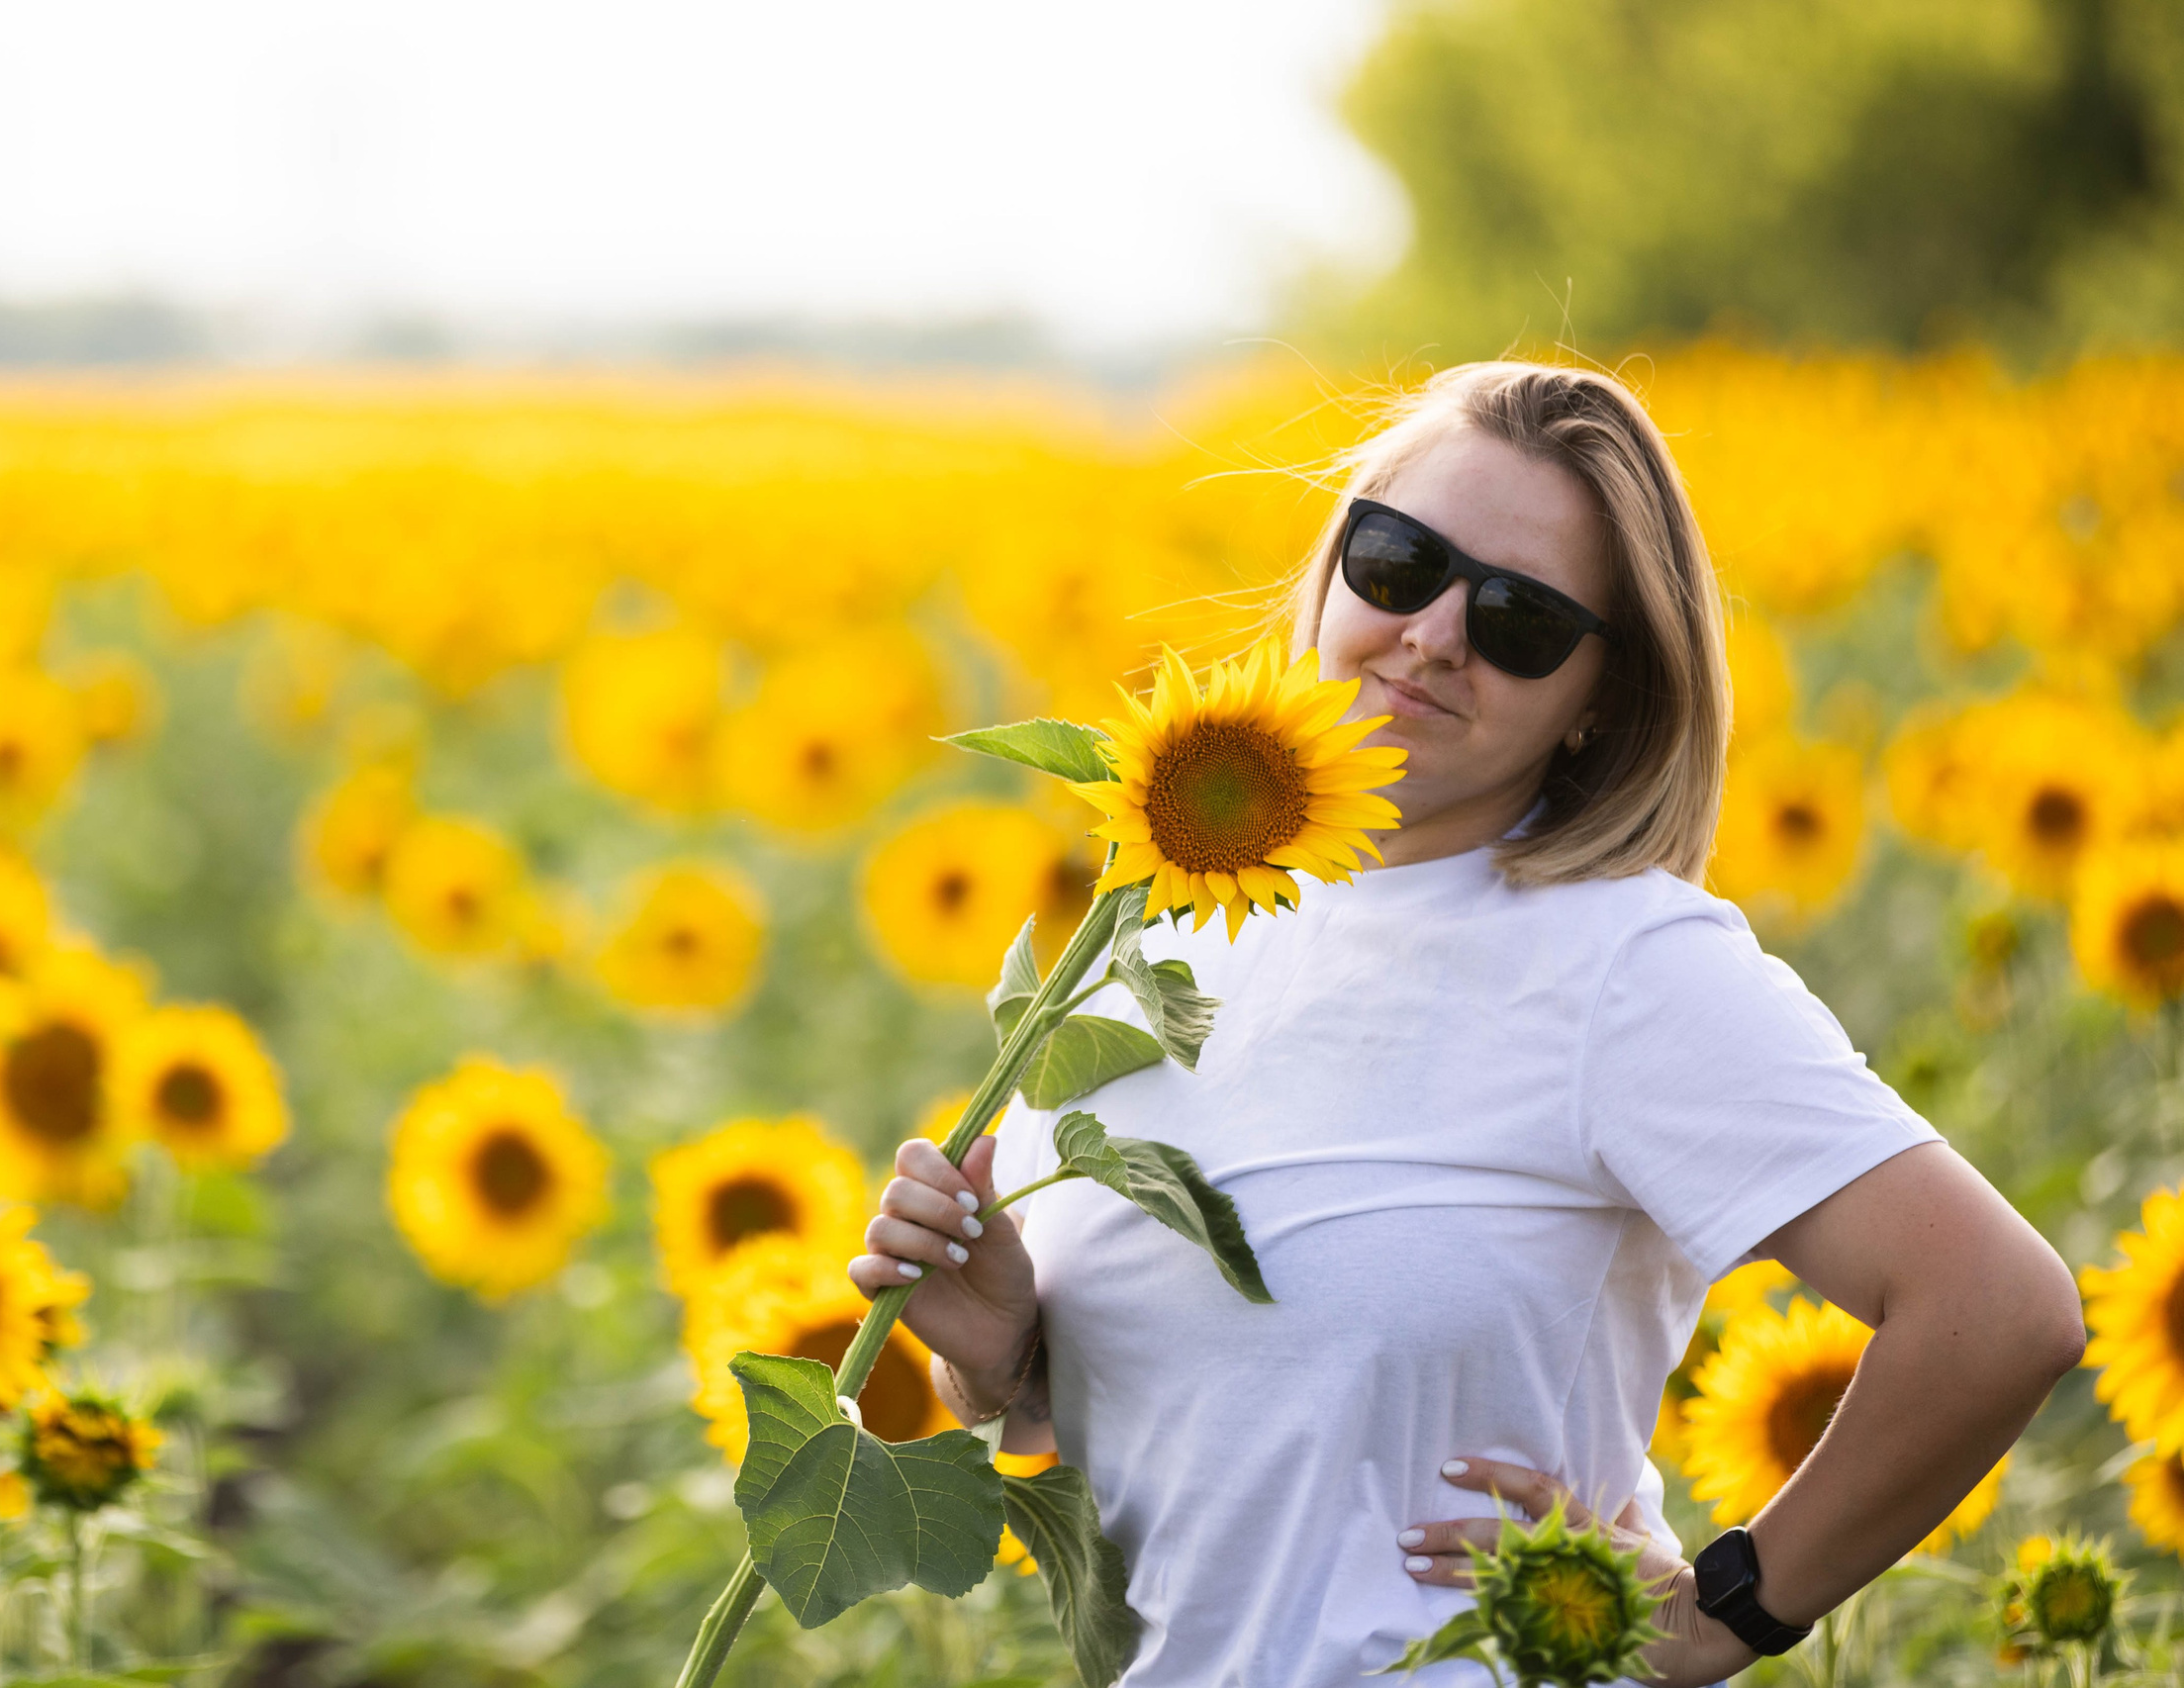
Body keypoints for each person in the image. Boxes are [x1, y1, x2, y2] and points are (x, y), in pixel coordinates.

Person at [847, 362, 2083, 1687]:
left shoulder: (1623, 964)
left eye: (1521, 620)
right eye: (1399, 562)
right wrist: (1004, 1357)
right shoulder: (1164, 920)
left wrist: (1721, 1613)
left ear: (1602, 695)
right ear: (1332, 568)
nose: (1435, 634)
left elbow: (1998, 1308)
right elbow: (1215, 1424)